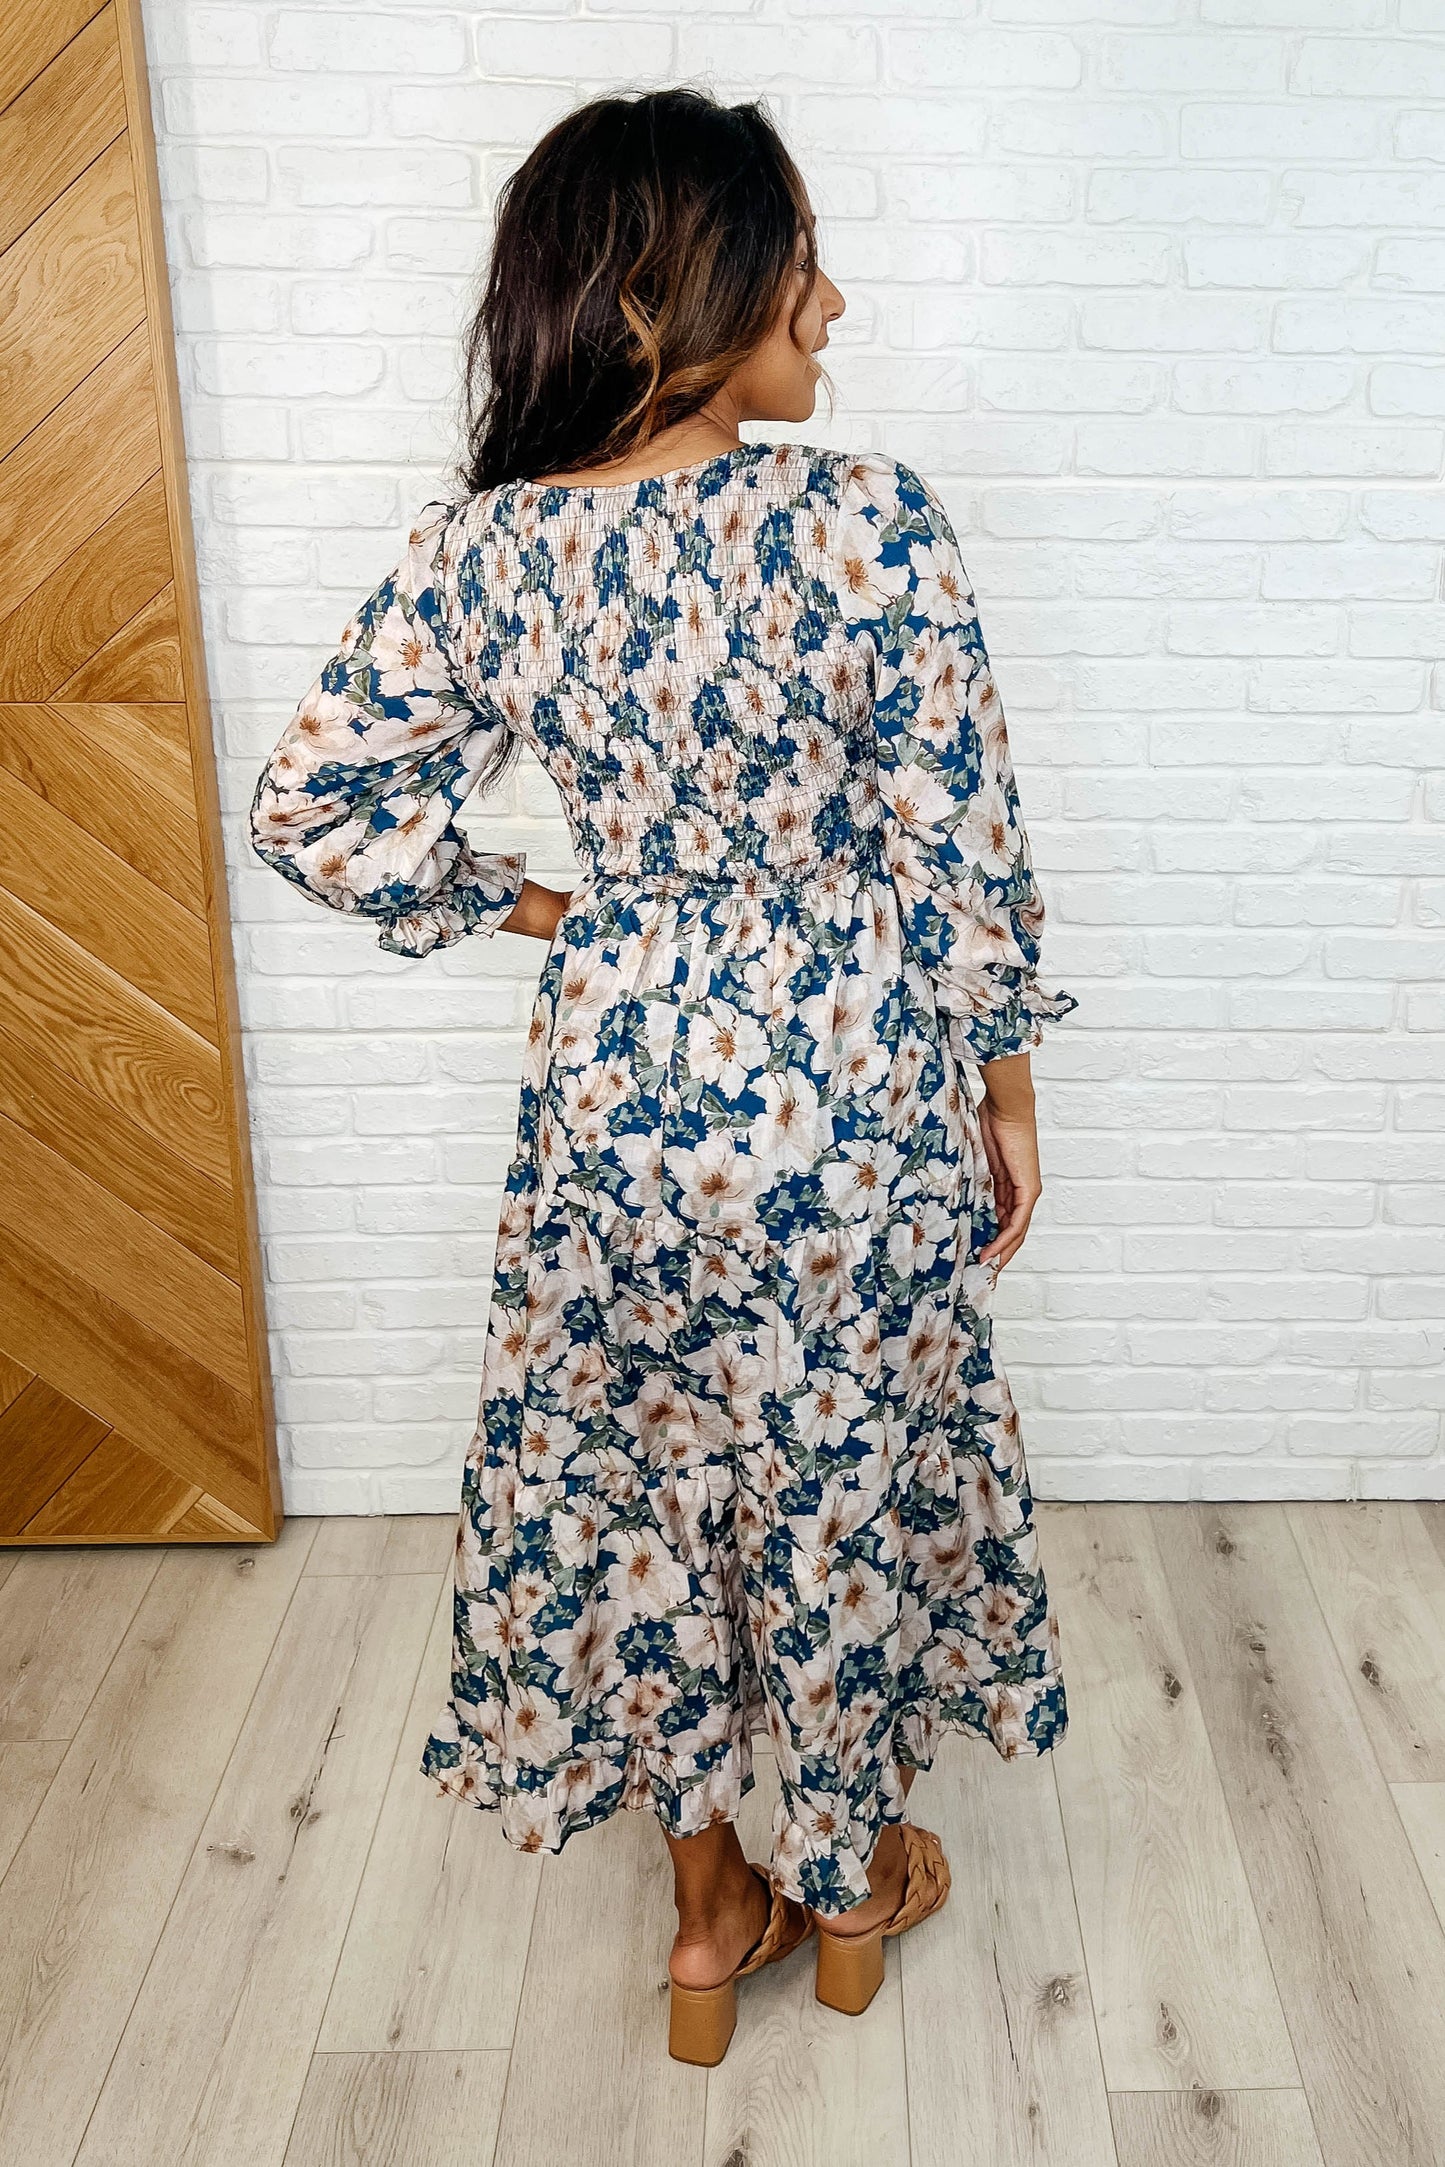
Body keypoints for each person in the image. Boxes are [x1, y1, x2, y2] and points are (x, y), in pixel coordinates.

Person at [249, 85, 1079, 2067]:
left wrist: (549, 907)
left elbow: (310, 809)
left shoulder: (485, 554)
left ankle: (709, 1924)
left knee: (639, 1498)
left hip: (619, 1102)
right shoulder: (865, 519)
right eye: (803, 260)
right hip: (852, 1090)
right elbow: (962, 847)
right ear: (672, 292)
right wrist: (1007, 1093)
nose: (833, 303)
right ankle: (854, 1883)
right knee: (839, 1477)